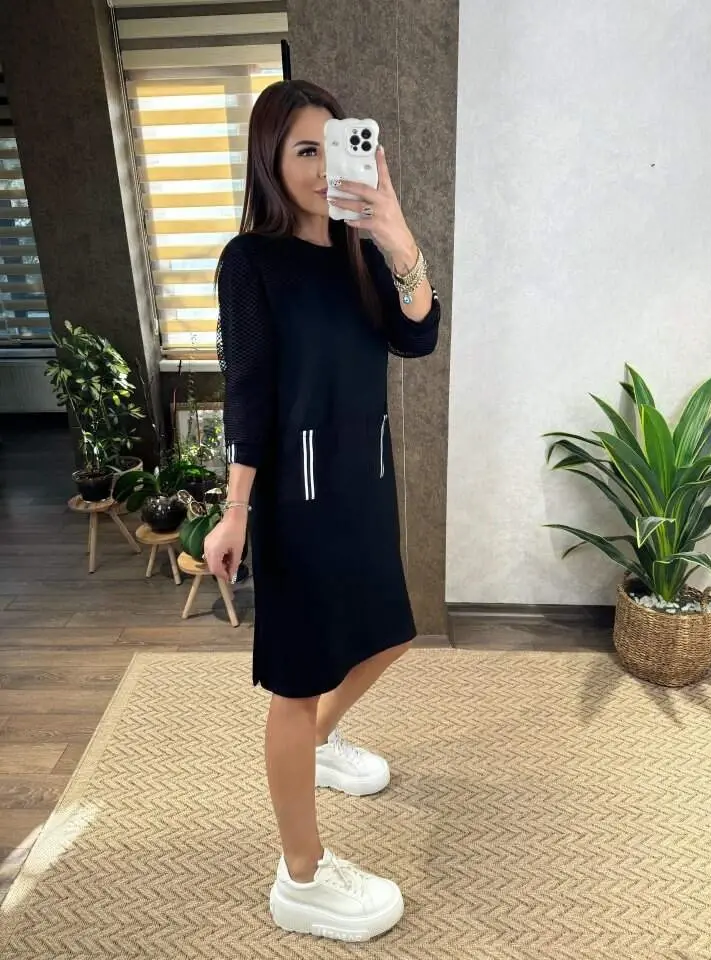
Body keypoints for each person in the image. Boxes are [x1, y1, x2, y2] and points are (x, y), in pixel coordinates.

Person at [203, 79, 441, 943]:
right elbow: (247, 391)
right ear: (270, 160)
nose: (320, 166)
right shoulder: (250, 262)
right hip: (295, 501)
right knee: (296, 681)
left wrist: (395, 231)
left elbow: (418, 334)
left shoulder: (359, 251)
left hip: (363, 485)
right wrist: (235, 509)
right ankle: (300, 878)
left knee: (390, 633)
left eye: (331, 147)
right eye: (304, 150)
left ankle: (321, 743)